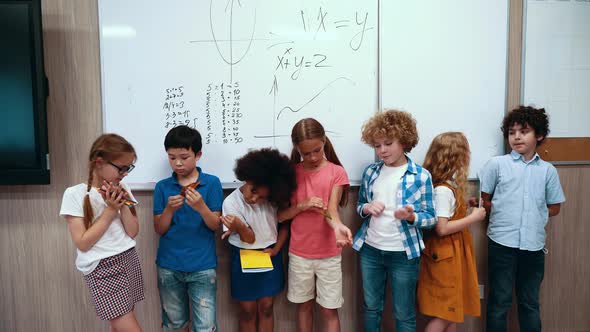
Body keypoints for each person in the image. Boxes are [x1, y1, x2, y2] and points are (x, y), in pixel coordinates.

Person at [479, 106, 565, 332]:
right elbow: (484, 200)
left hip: (534, 247)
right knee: (499, 302)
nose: (516, 137)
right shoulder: (497, 165)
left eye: (523, 131)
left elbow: (554, 207)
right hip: (501, 244)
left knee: (529, 303)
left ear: (539, 135)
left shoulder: (548, 171)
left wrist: (536, 213)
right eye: (511, 132)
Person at [352, 109, 436, 332]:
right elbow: (360, 205)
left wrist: (411, 217)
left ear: (404, 141)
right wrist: (367, 208)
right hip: (370, 250)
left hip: (404, 254)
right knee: (371, 308)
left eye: (388, 143)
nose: (382, 150)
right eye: (377, 145)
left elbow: (431, 218)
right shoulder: (371, 172)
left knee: (404, 313)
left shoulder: (421, 176)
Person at [60, 133, 143, 331]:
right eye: (121, 168)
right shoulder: (74, 194)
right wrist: (111, 210)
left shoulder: (123, 188)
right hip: (103, 268)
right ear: (99, 162)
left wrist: (121, 204)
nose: (124, 174)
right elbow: (82, 242)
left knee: (119, 325)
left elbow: (132, 232)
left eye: (128, 168)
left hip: (128, 258)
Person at [278, 118, 352, 332]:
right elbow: (281, 216)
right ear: (297, 149)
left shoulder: (336, 172)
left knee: (329, 310)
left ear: (324, 142)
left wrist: (338, 228)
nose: (312, 157)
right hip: (299, 254)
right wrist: (302, 205)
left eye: (317, 151)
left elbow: (331, 211)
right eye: (305, 153)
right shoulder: (291, 173)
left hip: (329, 254)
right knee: (303, 306)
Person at [153, 125, 223, 332]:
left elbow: (215, 225)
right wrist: (168, 210)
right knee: (174, 323)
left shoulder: (211, 183)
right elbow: (160, 229)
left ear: (198, 154)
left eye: (184, 157)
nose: (178, 163)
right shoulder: (162, 187)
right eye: (172, 157)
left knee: (205, 326)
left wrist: (201, 207)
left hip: (202, 265)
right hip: (169, 265)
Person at [220, 148, 297, 332]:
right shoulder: (231, 203)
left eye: (261, 196)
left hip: (270, 254)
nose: (253, 199)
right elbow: (248, 238)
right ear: (246, 178)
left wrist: (277, 249)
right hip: (243, 255)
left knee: (267, 307)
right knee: (247, 310)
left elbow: (285, 225)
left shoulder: (274, 199)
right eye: (253, 191)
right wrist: (238, 225)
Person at [417, 132, 487, 332]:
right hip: (445, 256)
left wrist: (465, 206)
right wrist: (472, 218)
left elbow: (446, 214)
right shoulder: (443, 190)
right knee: (445, 315)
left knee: (452, 312)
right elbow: (442, 228)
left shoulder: (448, 186)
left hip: (451, 255)